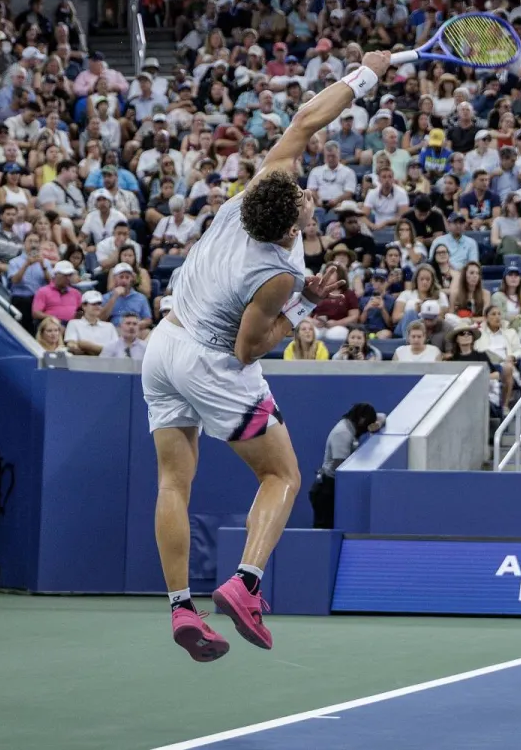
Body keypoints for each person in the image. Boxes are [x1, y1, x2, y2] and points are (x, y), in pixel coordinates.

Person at [141, 47, 392, 662]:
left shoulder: (253, 194)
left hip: (163, 345)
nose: (308, 192)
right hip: (211, 361)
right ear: (290, 226)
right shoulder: (276, 270)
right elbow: (248, 346)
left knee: (174, 481)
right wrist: (303, 305)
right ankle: (245, 584)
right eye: (305, 198)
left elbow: (306, 120)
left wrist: (367, 75)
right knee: (282, 474)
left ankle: (181, 608)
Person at [308, 403, 384, 528]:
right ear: (362, 420)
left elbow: (382, 416)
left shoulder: (351, 428)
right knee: (325, 528)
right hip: (327, 489)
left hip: (332, 486)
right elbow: (340, 467)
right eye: (367, 423)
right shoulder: (343, 433)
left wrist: (378, 424)